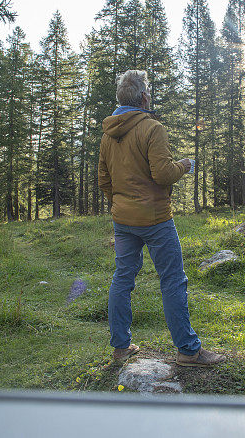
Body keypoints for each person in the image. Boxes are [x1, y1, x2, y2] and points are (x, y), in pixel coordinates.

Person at [98, 70, 226, 367]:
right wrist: (185, 164)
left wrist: (121, 206)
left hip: (123, 220)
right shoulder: (152, 128)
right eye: (149, 92)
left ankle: (120, 348)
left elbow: (104, 181)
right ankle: (188, 351)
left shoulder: (108, 134)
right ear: (143, 97)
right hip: (155, 219)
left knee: (122, 279)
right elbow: (163, 173)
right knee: (172, 280)